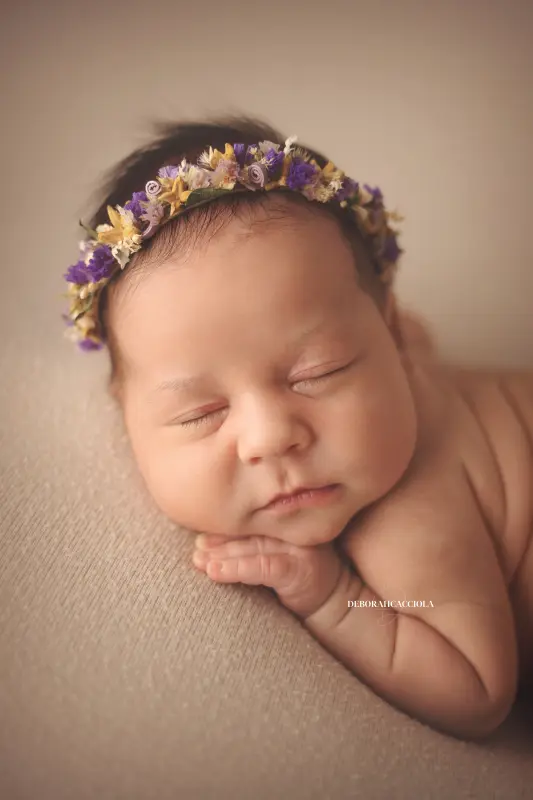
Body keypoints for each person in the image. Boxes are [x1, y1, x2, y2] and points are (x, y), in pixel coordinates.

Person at [61, 115, 533, 741]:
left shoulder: (410, 511)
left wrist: (336, 599)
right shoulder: (405, 368)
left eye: (319, 372)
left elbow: (477, 688)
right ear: (125, 416)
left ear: (393, 333)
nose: (269, 437)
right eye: (201, 413)